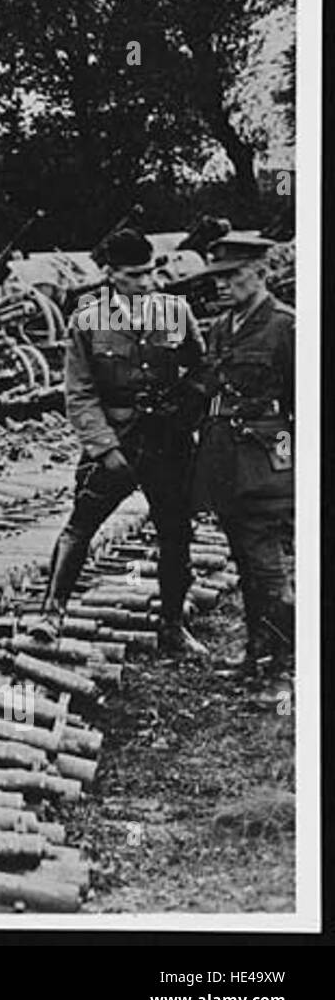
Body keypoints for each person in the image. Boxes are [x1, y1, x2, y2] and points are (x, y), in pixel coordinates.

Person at [31, 228, 207, 656]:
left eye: (150, 272)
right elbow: (79, 392)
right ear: (111, 274)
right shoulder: (88, 318)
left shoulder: (175, 311)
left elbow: (202, 370)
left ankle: (172, 626)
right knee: (81, 525)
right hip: (116, 439)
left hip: (168, 441)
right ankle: (51, 615)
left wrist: (186, 412)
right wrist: (104, 448)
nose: (146, 282)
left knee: (176, 532)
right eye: (134, 275)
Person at [190, 236, 295, 680]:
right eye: (217, 276)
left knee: (267, 568)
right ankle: (257, 653)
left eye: (232, 275)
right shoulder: (221, 327)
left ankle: (285, 664)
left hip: (265, 461)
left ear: (261, 273)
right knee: (246, 561)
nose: (221, 284)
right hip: (224, 463)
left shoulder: (285, 326)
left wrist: (290, 465)